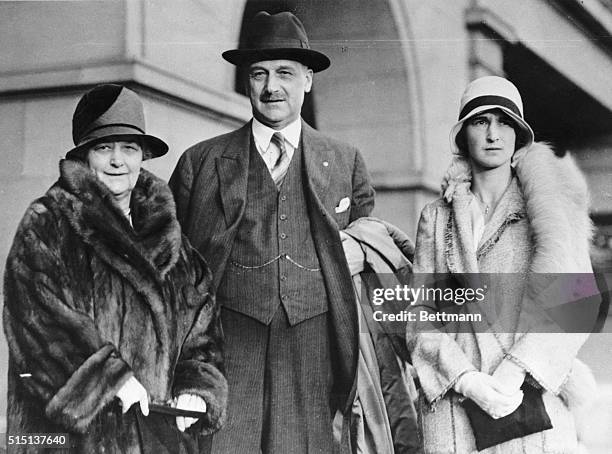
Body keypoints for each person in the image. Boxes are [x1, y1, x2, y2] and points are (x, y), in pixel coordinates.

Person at [169, 11, 375, 453]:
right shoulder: (199, 163)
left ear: (308, 80)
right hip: (228, 350)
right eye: (258, 74)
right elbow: (172, 272)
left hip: (312, 352)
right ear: (246, 82)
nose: (270, 87)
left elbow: (365, 252)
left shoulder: (345, 161)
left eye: (284, 73)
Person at [3, 84, 227, 453]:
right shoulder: (48, 223)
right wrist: (110, 379)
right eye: (103, 148)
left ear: (143, 156)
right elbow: (37, 324)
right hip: (74, 439)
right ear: (83, 157)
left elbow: (202, 326)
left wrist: (197, 389)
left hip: (156, 433)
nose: (117, 161)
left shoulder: (170, 237)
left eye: (129, 148)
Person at [407, 76, 598, 453]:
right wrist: (464, 379)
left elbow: (575, 305)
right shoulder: (436, 217)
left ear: (519, 136)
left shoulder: (548, 211)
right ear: (463, 135)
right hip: (455, 409)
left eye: (505, 121)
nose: (494, 133)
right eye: (481, 121)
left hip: (531, 402)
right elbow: (419, 314)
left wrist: (516, 370)